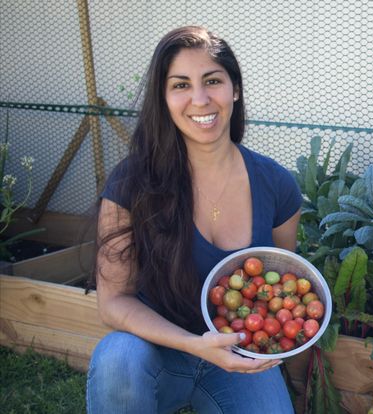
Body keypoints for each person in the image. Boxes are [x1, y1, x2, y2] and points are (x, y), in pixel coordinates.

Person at [86, 26, 300, 413]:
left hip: (240, 358)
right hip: (157, 351)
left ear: (234, 88)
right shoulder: (132, 182)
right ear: (164, 98)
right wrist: (192, 344)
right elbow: (112, 303)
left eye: (213, 81)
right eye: (181, 85)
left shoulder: (277, 185)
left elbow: (284, 283)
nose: (200, 100)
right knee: (118, 357)